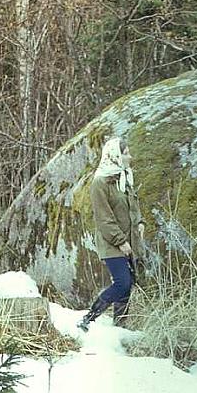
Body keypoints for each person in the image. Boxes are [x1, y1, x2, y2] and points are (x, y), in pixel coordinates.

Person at [77, 137, 145, 332]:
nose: (130, 157)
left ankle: (120, 326)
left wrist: (140, 221)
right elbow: (103, 218)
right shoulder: (100, 183)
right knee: (122, 282)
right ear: (115, 155)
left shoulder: (125, 177)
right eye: (126, 153)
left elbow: (133, 206)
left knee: (129, 283)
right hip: (112, 243)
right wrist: (120, 241)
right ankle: (89, 317)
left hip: (128, 241)